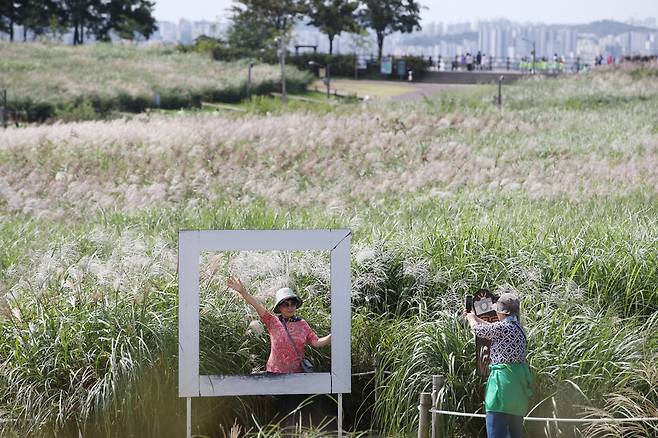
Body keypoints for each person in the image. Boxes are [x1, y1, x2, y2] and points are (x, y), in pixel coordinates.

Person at [227, 276, 331, 374]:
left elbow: (316, 342)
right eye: (286, 304)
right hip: (274, 373)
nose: (290, 307)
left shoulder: (302, 324)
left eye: (293, 303)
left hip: (297, 374)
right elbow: (256, 305)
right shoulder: (272, 321)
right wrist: (242, 291)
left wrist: (332, 336)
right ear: (279, 307)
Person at [464, 293, 532, 438]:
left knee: (496, 431)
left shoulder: (503, 328)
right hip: (517, 390)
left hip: (502, 386)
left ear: (502, 311)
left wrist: (471, 319)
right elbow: (494, 329)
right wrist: (477, 319)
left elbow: (479, 331)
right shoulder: (518, 328)